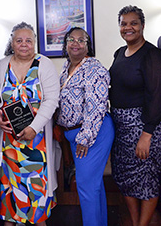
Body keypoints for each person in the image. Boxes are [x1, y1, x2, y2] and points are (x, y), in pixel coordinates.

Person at [0, 22, 60, 226]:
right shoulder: (2, 65)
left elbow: (51, 100)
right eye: (19, 40)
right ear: (12, 43)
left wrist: (33, 128)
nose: (24, 44)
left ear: (34, 43)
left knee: (37, 199)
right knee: (10, 197)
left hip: (37, 144)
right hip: (9, 146)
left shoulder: (44, 64)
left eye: (28, 40)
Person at [56, 27, 115, 226]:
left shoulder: (94, 68)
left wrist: (85, 138)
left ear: (87, 45)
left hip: (93, 134)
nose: (76, 43)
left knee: (86, 187)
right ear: (65, 44)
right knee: (93, 186)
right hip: (74, 134)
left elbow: (96, 106)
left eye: (81, 40)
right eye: (71, 39)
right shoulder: (66, 68)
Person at [110, 5, 161, 226]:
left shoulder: (152, 54)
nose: (128, 27)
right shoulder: (119, 53)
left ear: (142, 25)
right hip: (120, 128)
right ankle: (134, 221)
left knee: (147, 178)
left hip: (144, 126)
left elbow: (157, 95)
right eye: (123, 23)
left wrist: (146, 134)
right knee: (125, 177)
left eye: (133, 23)